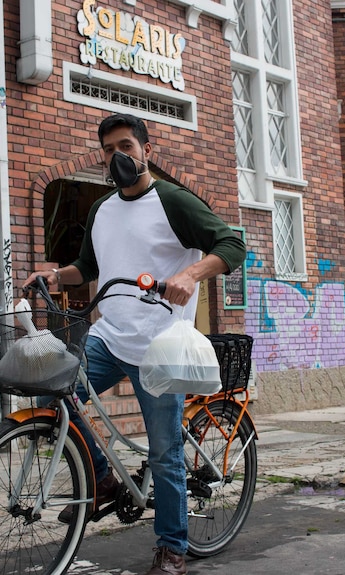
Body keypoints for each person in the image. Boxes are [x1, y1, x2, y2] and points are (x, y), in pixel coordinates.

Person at [23, 113, 246, 575]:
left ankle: (172, 549)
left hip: (159, 349)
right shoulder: (102, 209)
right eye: (109, 149)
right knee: (55, 395)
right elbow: (86, 267)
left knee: (164, 454)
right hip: (109, 337)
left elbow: (232, 244)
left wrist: (189, 273)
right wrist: (54, 274)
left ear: (147, 149)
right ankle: (103, 479)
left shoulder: (174, 201)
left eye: (126, 146)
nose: (117, 156)